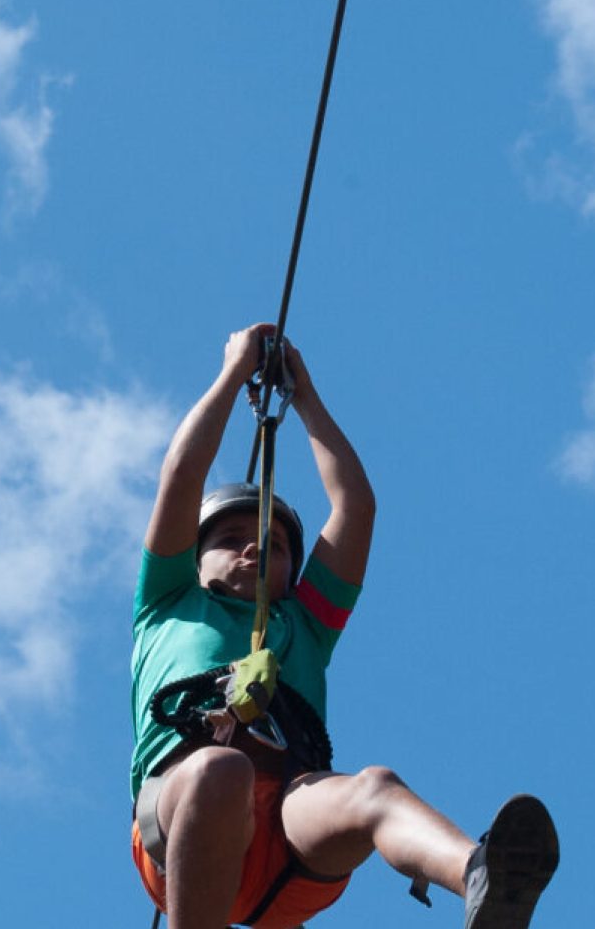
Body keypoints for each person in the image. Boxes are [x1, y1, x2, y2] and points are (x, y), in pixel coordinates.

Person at [129, 324, 559, 929]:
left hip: (290, 833)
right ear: (194, 561)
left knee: (375, 787)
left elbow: (355, 506)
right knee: (220, 771)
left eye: (274, 547)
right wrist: (232, 374)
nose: (253, 550)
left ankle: (483, 881)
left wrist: (305, 396)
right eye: (229, 540)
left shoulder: (305, 625)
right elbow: (182, 476)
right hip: (186, 829)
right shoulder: (168, 602)